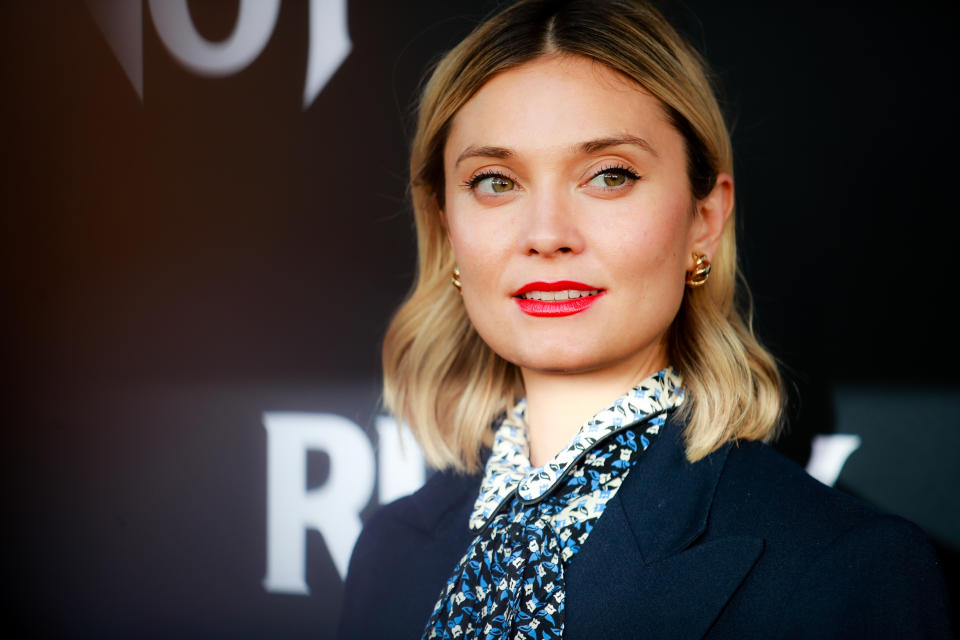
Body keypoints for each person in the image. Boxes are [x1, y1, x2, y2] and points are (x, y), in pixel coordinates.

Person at [336, 1, 952, 638]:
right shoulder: (390, 549)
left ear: (704, 220)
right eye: (495, 182)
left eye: (609, 175)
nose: (546, 235)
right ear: (447, 227)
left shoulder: (848, 570)